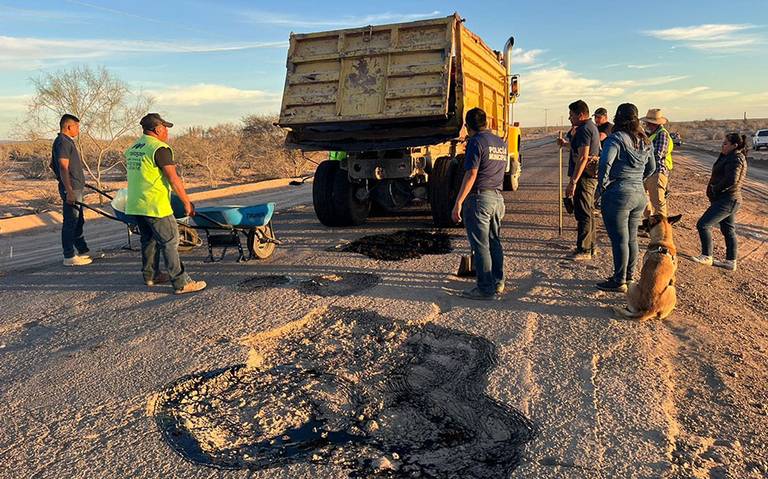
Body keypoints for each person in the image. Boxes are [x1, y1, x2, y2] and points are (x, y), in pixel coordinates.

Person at [124, 113, 206, 294]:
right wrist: (187, 202)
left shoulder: (134, 148)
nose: (167, 132)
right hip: (155, 204)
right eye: (165, 128)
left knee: (149, 240)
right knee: (170, 241)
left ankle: (151, 276)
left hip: (136, 204)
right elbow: (173, 178)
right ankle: (181, 282)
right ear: (157, 129)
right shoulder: (159, 148)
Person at [596, 103, 655, 292]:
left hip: (619, 192)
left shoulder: (615, 139)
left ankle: (618, 279)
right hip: (638, 193)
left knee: (619, 239)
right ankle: (629, 277)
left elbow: (605, 163)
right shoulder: (645, 140)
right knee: (631, 239)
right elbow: (652, 168)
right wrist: (639, 178)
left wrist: (602, 187)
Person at [451, 107, 507, 300]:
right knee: (494, 242)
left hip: (480, 199)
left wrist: (458, 202)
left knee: (481, 245)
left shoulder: (476, 142)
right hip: (498, 198)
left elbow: (472, 173)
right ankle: (498, 283)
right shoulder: (500, 142)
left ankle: (485, 289)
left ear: (467, 126)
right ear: (487, 123)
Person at [691, 133, 748, 271]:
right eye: (723, 143)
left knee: (703, 224)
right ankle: (730, 262)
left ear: (734, 146)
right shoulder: (729, 156)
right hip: (727, 199)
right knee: (728, 229)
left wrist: (716, 188)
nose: (722, 145)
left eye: (725, 143)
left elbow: (732, 180)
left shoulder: (735, 158)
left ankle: (707, 256)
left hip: (728, 200)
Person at [557, 100, 601, 260]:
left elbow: (583, 157)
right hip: (589, 176)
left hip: (584, 177)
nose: (570, 118)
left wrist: (573, 182)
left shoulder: (584, 130)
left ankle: (584, 250)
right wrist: (566, 144)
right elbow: (581, 149)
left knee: (583, 213)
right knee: (588, 211)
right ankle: (591, 246)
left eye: (571, 115)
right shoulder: (590, 127)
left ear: (581, 115)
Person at [51, 114, 91, 266]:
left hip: (76, 186)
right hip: (71, 189)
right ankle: (68, 256)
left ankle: (83, 250)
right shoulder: (62, 142)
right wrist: (68, 189)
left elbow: (52, 165)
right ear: (69, 126)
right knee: (70, 221)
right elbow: (62, 166)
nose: (78, 130)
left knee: (78, 220)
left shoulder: (67, 141)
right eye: (77, 127)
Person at [641, 109, 674, 219]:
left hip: (657, 172)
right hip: (649, 172)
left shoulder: (662, 134)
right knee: (644, 199)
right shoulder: (653, 134)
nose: (647, 125)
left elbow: (657, 154)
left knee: (658, 204)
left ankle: (661, 229)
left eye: (648, 122)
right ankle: (649, 224)